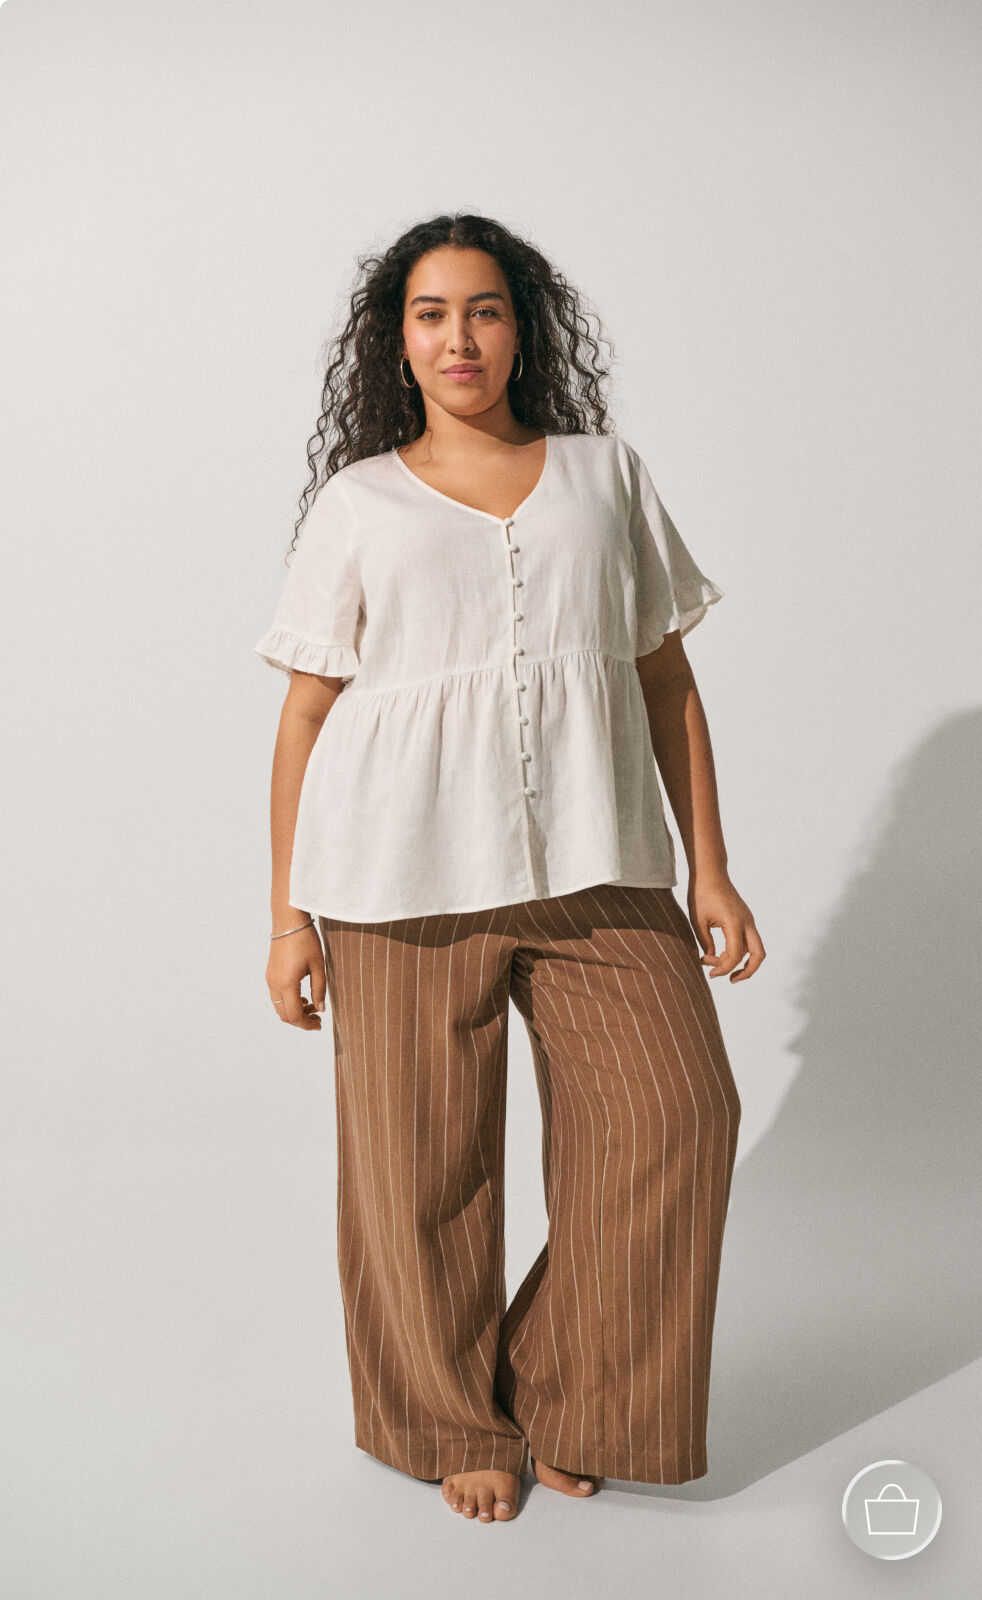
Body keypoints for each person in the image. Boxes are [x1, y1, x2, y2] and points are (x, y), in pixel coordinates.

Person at [253, 213, 765, 1526]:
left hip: (600, 863)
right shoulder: (358, 503)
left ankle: (569, 1388)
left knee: (677, 1116)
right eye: (430, 314)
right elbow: (306, 715)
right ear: (397, 342)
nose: (459, 338)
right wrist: (289, 918)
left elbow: (665, 679)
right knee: (420, 1177)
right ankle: (446, 1419)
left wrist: (708, 871)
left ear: (522, 330)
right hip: (395, 878)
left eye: (483, 310)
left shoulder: (604, 476)